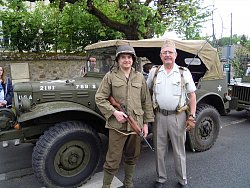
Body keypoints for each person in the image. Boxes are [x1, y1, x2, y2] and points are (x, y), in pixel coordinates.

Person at [95, 45, 154, 188]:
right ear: (118, 60)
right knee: (112, 160)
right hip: (117, 125)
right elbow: (100, 98)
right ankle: (106, 186)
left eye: (129, 57)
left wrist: (146, 124)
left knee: (132, 156)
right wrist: (114, 112)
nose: (126, 60)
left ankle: (128, 183)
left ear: (133, 59)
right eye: (123, 57)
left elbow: (146, 101)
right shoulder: (110, 76)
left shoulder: (139, 77)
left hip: (136, 124)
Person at [147, 40, 196, 188]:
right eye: (164, 52)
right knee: (159, 150)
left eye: (170, 52)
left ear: (175, 55)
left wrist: (192, 116)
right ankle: (161, 178)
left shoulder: (183, 72)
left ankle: (182, 180)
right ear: (160, 55)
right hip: (159, 117)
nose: (167, 55)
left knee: (179, 151)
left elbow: (192, 95)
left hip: (178, 117)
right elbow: (148, 92)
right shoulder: (154, 72)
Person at [0, 66, 20, 148]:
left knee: (13, 120)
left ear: (3, 71)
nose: (0, 71)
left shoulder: (7, 80)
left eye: (1, 70)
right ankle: (5, 140)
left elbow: (11, 92)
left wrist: (5, 101)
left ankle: (17, 138)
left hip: (7, 104)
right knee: (2, 122)